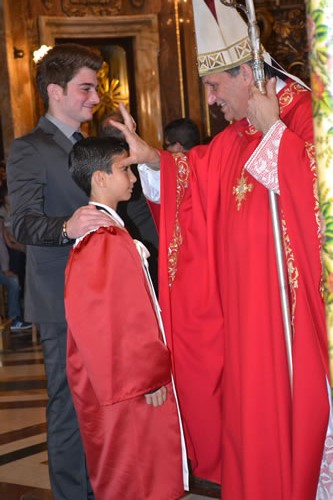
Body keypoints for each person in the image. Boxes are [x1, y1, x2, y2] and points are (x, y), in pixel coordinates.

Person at [108, 1, 333, 498]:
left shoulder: (312, 117)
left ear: (248, 74)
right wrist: (151, 158)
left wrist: (276, 133)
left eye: (214, 86)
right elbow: (197, 178)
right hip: (252, 330)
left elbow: (320, 199)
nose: (209, 100)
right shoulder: (236, 136)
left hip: (297, 331)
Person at [7, 43, 113, 500]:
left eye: (96, 88)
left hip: (105, 292)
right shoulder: (30, 148)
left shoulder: (91, 146)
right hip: (59, 295)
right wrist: (67, 226)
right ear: (56, 90)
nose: (95, 97)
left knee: (104, 404)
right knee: (70, 406)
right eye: (86, 88)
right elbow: (21, 222)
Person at [65, 136, 187, 499]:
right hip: (127, 384)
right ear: (99, 178)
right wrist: (147, 378)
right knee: (137, 477)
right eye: (124, 169)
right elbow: (112, 319)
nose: (133, 178)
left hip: (120, 378)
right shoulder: (103, 238)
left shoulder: (107, 231)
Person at [100, 111, 159, 290]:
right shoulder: (142, 160)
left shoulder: (107, 164)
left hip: (136, 245)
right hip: (147, 243)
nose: (131, 178)